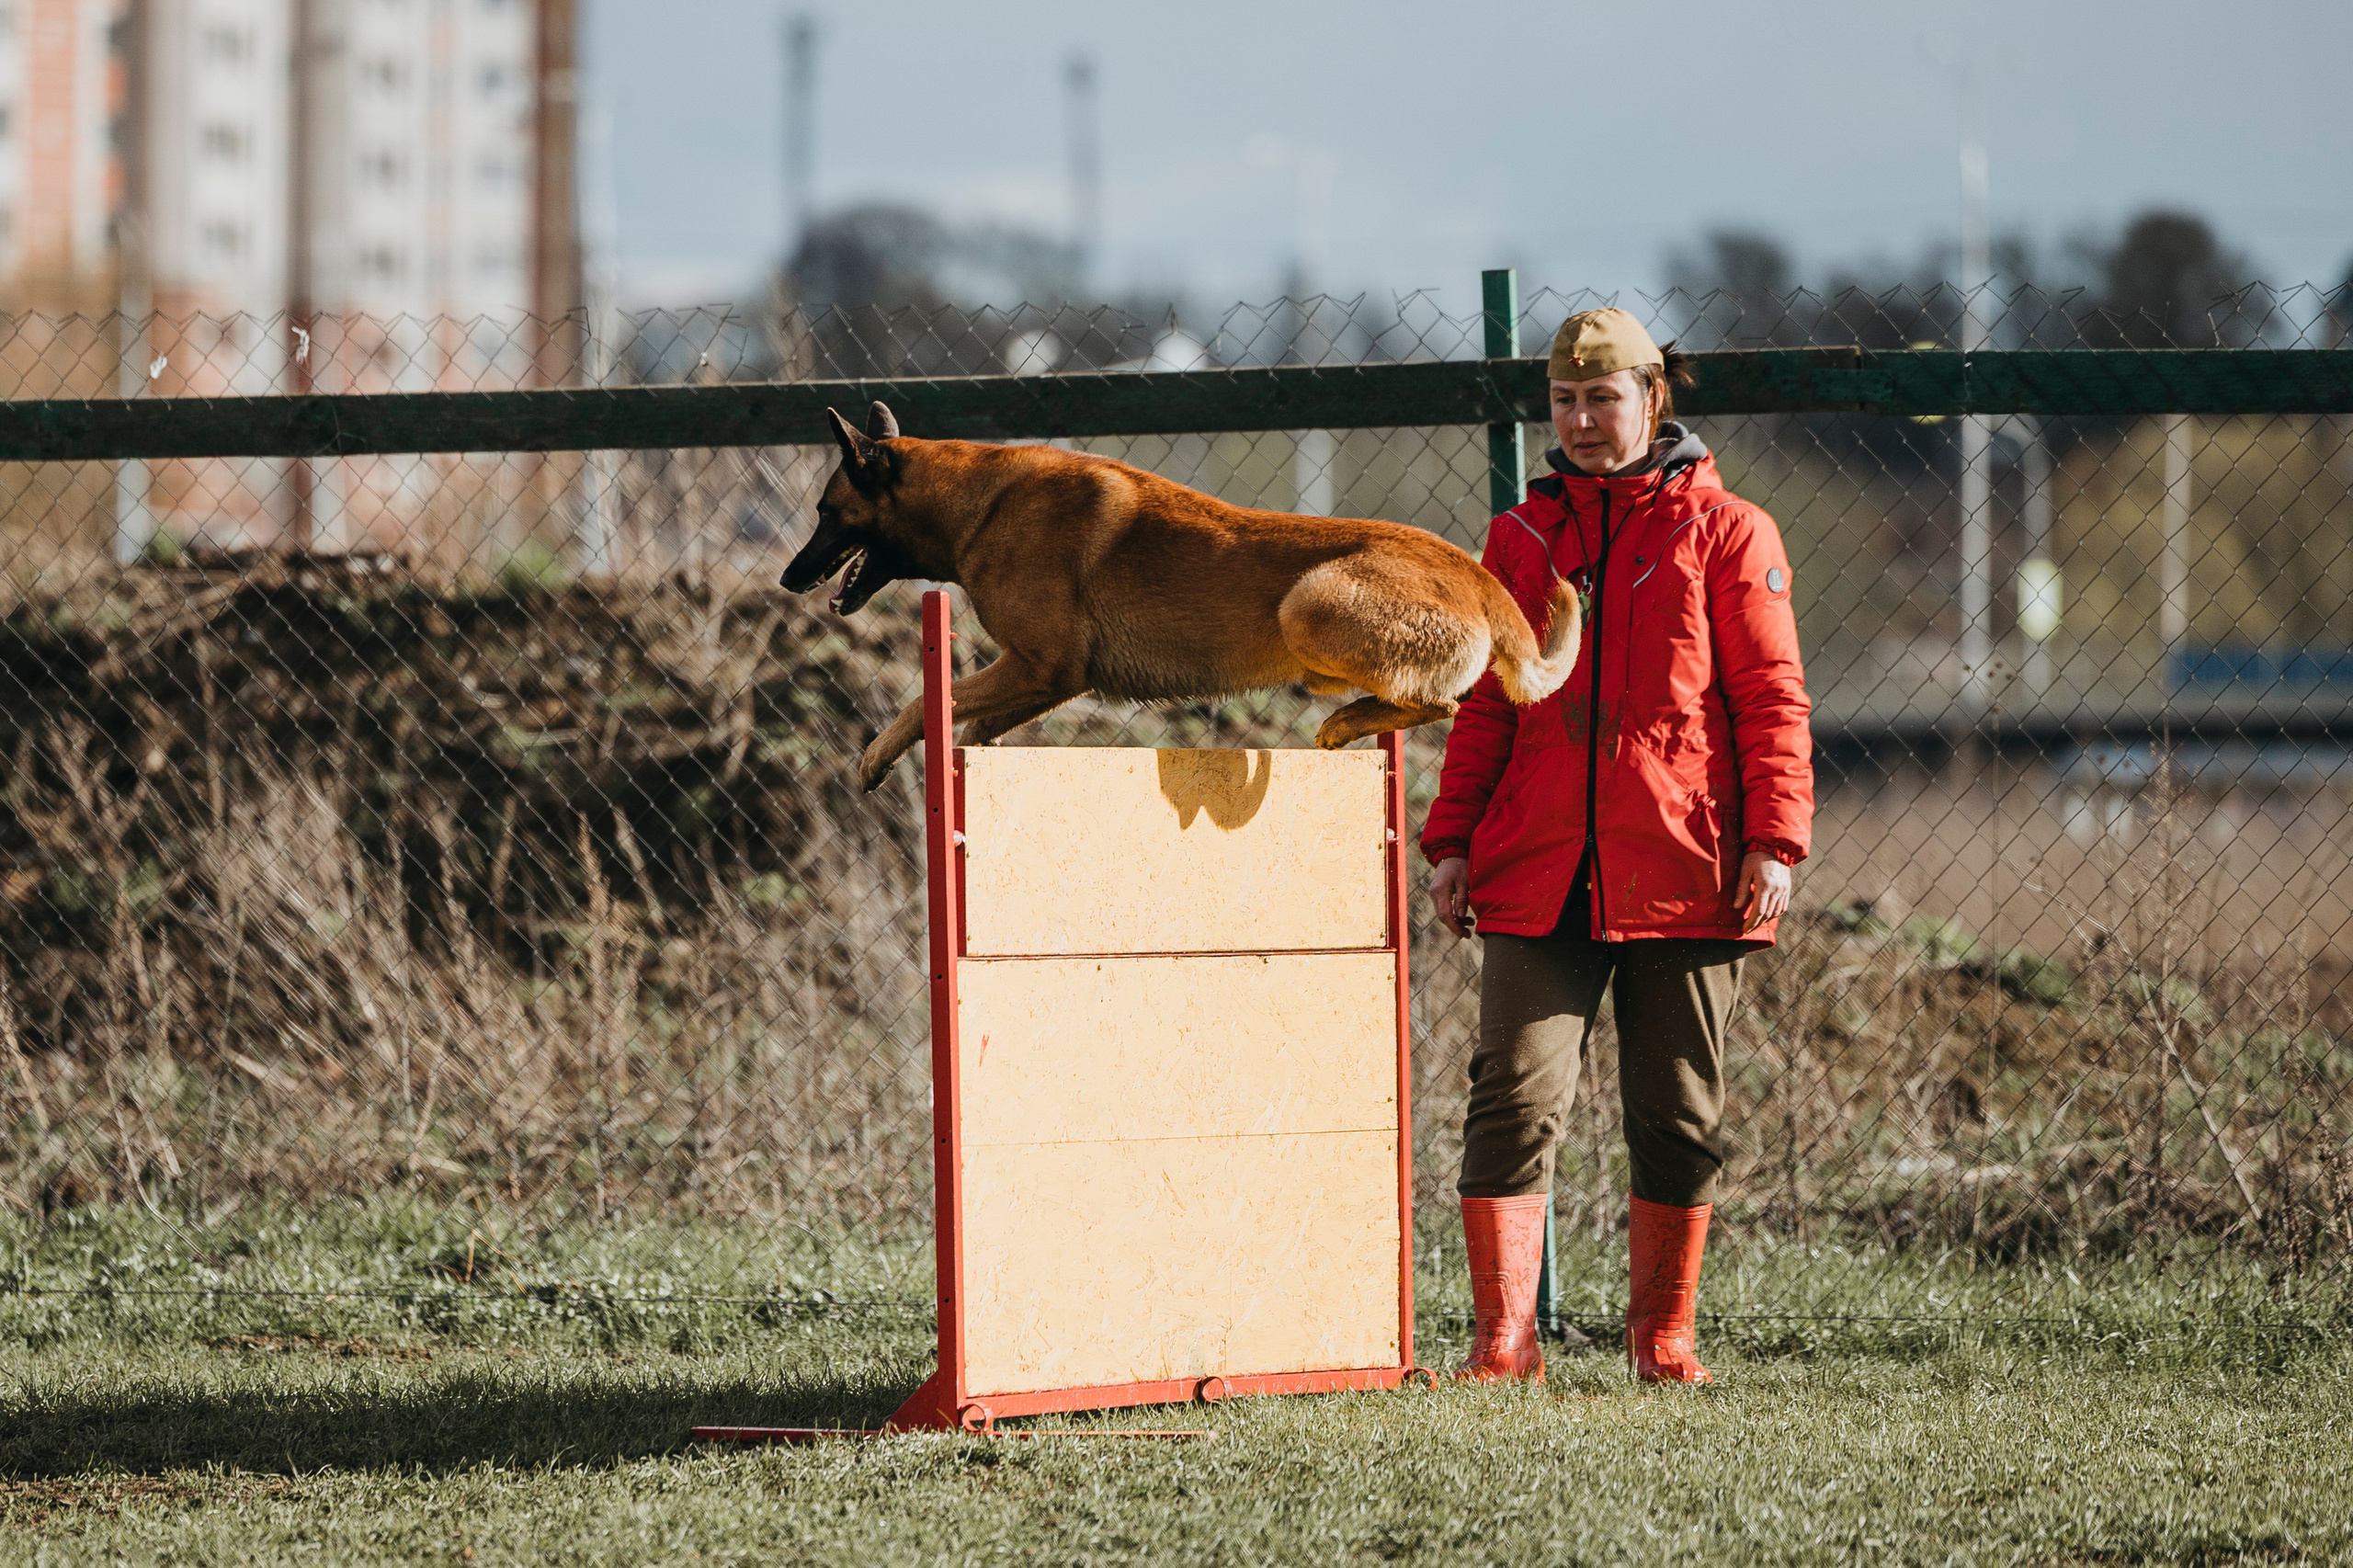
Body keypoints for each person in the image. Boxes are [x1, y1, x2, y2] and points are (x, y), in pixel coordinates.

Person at [1422, 307, 1813, 1384]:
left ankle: (1662, 1338)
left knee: (1679, 1111)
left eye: (1604, 398)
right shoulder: (1519, 539)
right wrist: (1451, 838)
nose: (1584, 421)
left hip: (1687, 866)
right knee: (1511, 1093)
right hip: (1537, 866)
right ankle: (1503, 1344)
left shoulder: (1732, 532)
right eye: (1564, 401)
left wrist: (1775, 840)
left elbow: (1771, 700)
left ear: (1654, 400)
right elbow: (1489, 706)